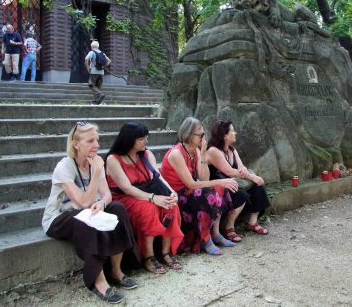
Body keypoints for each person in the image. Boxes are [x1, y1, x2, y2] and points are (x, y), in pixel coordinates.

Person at [41, 122, 139, 304]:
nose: (97, 145)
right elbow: (83, 202)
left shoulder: (95, 162)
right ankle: (99, 281)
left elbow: (107, 194)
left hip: (87, 211)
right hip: (58, 218)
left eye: (97, 140)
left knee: (117, 208)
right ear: (75, 144)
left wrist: (101, 203)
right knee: (85, 221)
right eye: (90, 141)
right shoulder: (64, 167)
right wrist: (96, 174)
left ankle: (116, 270)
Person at [105, 122, 183, 274]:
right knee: (148, 208)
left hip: (147, 192)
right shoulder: (113, 159)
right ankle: (148, 256)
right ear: (129, 139)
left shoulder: (147, 154)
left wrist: (172, 192)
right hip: (125, 197)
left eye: (146, 138)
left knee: (171, 204)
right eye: (141, 139)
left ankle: (166, 252)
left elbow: (158, 177)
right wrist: (153, 198)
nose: (146, 142)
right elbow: (126, 188)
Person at [160, 117, 239, 256]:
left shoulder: (195, 151)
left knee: (220, 189)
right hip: (176, 194)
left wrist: (203, 154)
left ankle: (215, 233)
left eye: (204, 134)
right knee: (206, 194)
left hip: (189, 191)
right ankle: (205, 239)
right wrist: (220, 181)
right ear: (189, 134)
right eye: (200, 135)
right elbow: (191, 183)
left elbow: (204, 178)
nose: (203, 138)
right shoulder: (176, 153)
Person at [207, 120, 270, 241]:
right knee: (241, 193)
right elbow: (230, 172)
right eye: (232, 131)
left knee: (258, 186)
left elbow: (241, 168)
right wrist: (252, 177)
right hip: (218, 185)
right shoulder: (213, 150)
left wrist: (246, 172)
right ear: (224, 135)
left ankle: (252, 222)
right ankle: (229, 227)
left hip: (232, 182)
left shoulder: (232, 150)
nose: (235, 133)